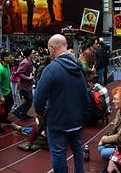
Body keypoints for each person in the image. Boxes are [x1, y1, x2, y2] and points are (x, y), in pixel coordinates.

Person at [34, 34, 88, 173]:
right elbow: (84, 91)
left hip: (58, 121)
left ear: (52, 47)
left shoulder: (51, 69)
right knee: (78, 150)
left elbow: (39, 99)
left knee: (59, 154)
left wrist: (42, 113)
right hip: (77, 119)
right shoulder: (78, 65)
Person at [13, 49, 35, 120]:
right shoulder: (25, 62)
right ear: (29, 54)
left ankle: (23, 113)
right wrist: (28, 78)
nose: (35, 54)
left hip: (28, 85)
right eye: (33, 53)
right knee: (29, 100)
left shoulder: (29, 61)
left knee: (29, 100)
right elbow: (18, 73)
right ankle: (17, 110)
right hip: (24, 85)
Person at [0, 55, 14, 123]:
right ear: (5, 58)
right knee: (1, 108)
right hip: (2, 92)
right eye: (9, 57)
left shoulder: (8, 65)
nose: (10, 58)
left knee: (9, 105)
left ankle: (4, 118)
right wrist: (1, 96)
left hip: (8, 90)